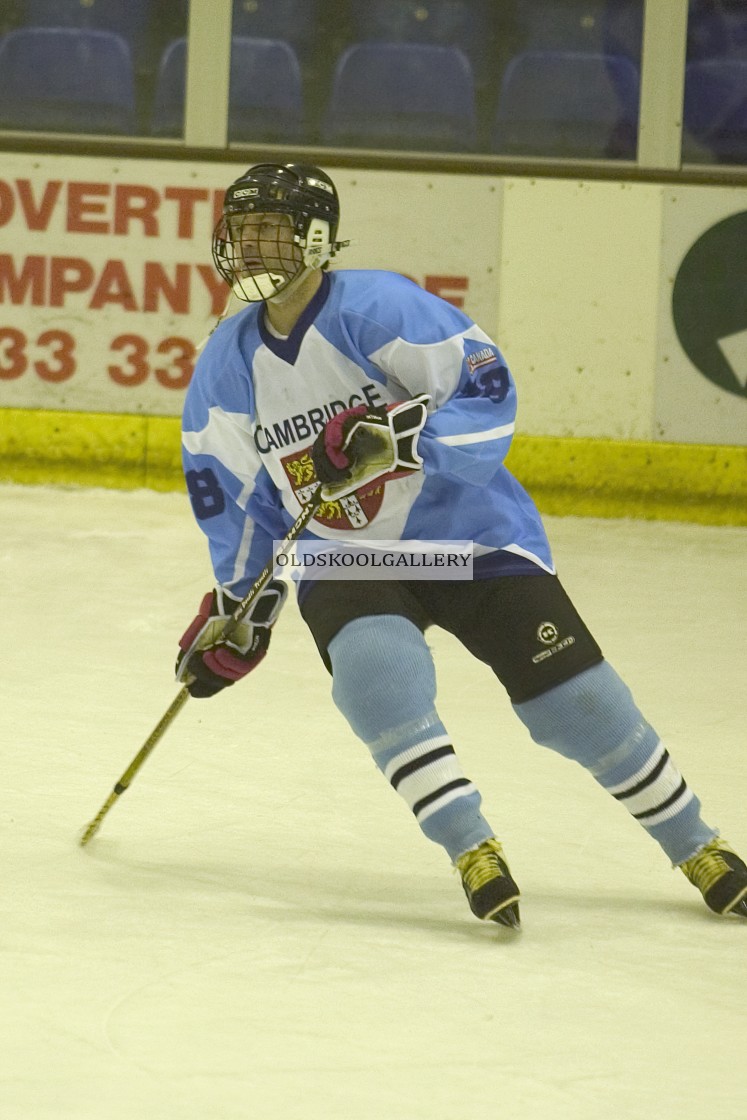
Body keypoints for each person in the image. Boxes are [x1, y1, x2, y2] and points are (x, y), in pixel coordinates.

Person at [175, 161, 746, 928]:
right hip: (347, 557)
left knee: (575, 702)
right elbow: (238, 503)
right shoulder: (224, 365)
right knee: (377, 674)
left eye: (269, 231)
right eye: (240, 233)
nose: (250, 249)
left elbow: (482, 383)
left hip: (465, 535)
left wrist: (401, 437)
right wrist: (240, 606)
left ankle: (694, 842)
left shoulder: (377, 306)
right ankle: (469, 844)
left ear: (315, 239)